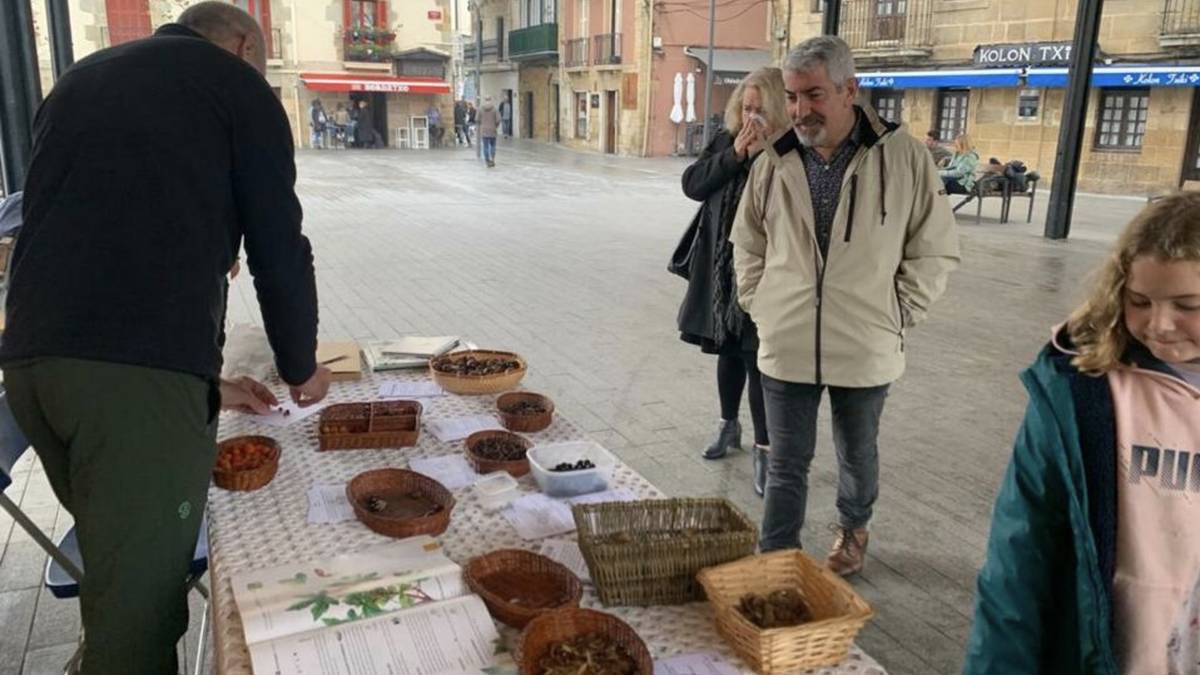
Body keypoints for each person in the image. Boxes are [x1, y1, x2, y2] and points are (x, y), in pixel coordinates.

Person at [0, 3, 332, 671]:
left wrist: (204, 383)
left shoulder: (81, 77)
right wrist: (301, 366)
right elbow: (277, 247)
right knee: (141, 613)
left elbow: (107, 229)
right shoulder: (238, 88)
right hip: (129, 392)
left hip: (33, 366)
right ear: (243, 47)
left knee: (120, 568)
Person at [730, 36, 959, 576]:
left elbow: (934, 247)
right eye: (791, 97)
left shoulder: (904, 157)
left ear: (849, 90)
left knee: (858, 452)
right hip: (786, 338)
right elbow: (748, 242)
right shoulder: (775, 159)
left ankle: (853, 529)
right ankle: (777, 552)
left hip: (866, 339)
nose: (799, 111)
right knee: (786, 461)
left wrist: (899, 312)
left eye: (813, 95)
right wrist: (761, 305)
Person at [963, 192, 1200, 675]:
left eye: (1188, 305)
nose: (1159, 324)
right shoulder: (1080, 392)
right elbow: (1020, 555)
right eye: (1139, 302)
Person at [678, 67, 788, 497]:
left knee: (757, 360)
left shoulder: (788, 152)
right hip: (721, 273)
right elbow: (692, 184)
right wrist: (736, 155)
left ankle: (765, 449)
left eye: (760, 109)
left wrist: (762, 155)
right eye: (746, 107)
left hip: (763, 276)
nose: (751, 118)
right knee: (726, 351)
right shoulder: (727, 141)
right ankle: (729, 425)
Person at [478, 96, 501, 167]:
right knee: (493, 146)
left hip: (484, 130)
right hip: (492, 130)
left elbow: (477, 119)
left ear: (485, 100)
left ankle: (487, 161)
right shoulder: (495, 109)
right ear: (491, 100)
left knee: (485, 147)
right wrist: (495, 126)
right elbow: (498, 120)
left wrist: (482, 124)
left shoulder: (481, 109)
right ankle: (493, 159)